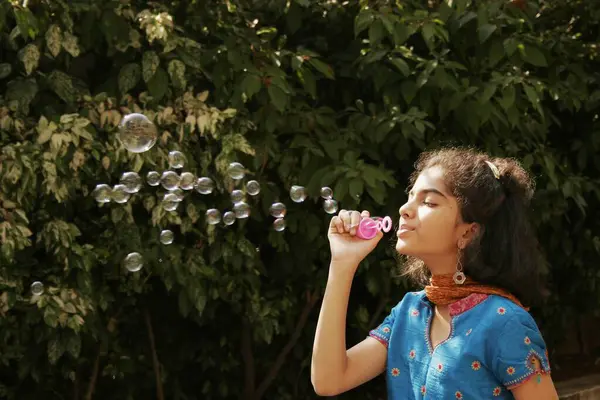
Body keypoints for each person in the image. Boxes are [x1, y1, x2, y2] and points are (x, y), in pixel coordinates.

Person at [311, 147, 559, 399]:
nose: (404, 209)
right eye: (410, 196)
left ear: (467, 232)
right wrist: (342, 264)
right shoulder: (409, 313)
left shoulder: (504, 322)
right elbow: (329, 380)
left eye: (428, 202)